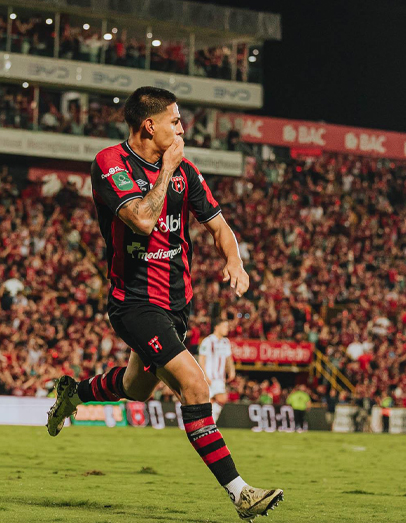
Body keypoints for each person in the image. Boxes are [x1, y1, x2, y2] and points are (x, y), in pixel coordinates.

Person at [45, 86, 283, 520]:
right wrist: (165, 168)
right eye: (175, 121)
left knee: (136, 389)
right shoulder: (109, 164)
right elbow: (140, 218)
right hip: (134, 301)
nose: (182, 128)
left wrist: (235, 261)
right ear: (149, 125)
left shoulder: (185, 171)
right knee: (195, 386)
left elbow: (218, 225)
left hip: (177, 304)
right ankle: (240, 493)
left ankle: (72, 393)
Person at [197, 315, 235, 422]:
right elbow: (201, 360)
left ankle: (207, 423)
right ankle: (209, 423)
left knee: (212, 401)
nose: (227, 329)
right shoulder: (208, 341)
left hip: (220, 378)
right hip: (210, 376)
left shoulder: (225, 342)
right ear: (217, 327)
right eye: (224, 326)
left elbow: (228, 358)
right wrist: (204, 375)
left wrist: (231, 371)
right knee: (221, 398)